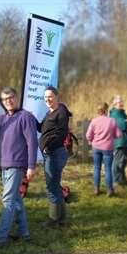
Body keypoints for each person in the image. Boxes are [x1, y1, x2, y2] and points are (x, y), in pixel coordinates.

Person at [0, 87, 38, 251]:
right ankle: (24, 233)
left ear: (17, 97)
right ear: (2, 102)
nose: (8, 101)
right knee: (16, 200)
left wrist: (31, 166)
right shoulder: (3, 118)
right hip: (4, 165)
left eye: (11, 97)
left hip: (16, 165)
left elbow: (32, 142)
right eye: (5, 99)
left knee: (8, 201)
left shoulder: (25, 117)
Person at [38, 86, 72, 227]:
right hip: (49, 154)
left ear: (57, 97)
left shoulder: (61, 112)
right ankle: (62, 218)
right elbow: (41, 128)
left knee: (51, 186)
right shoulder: (49, 113)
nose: (47, 99)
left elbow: (61, 133)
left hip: (55, 153)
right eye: (45, 97)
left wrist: (48, 146)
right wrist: (29, 118)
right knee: (55, 185)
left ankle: (53, 219)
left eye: (50, 96)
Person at [86, 102, 121, 196]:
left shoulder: (94, 121)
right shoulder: (112, 121)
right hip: (108, 148)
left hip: (96, 147)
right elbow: (119, 135)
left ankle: (96, 189)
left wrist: (91, 140)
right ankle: (109, 190)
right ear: (106, 110)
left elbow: (88, 135)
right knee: (108, 169)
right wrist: (112, 136)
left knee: (97, 168)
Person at [109, 95, 127, 186]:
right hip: (119, 141)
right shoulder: (114, 113)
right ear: (114, 104)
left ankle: (122, 179)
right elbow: (122, 125)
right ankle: (116, 181)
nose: (121, 103)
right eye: (119, 102)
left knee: (123, 161)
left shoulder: (122, 113)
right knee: (118, 161)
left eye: (122, 101)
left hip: (125, 140)